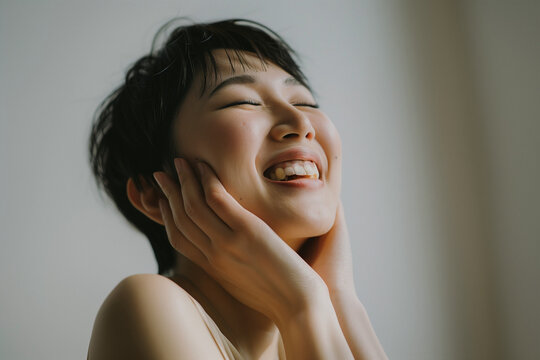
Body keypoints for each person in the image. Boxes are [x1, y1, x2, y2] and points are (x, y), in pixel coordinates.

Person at [87, 18, 387, 360]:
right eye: (242, 101)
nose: (301, 124)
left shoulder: (309, 327)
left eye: (305, 102)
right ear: (154, 194)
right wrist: (301, 306)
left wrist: (341, 299)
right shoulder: (148, 303)